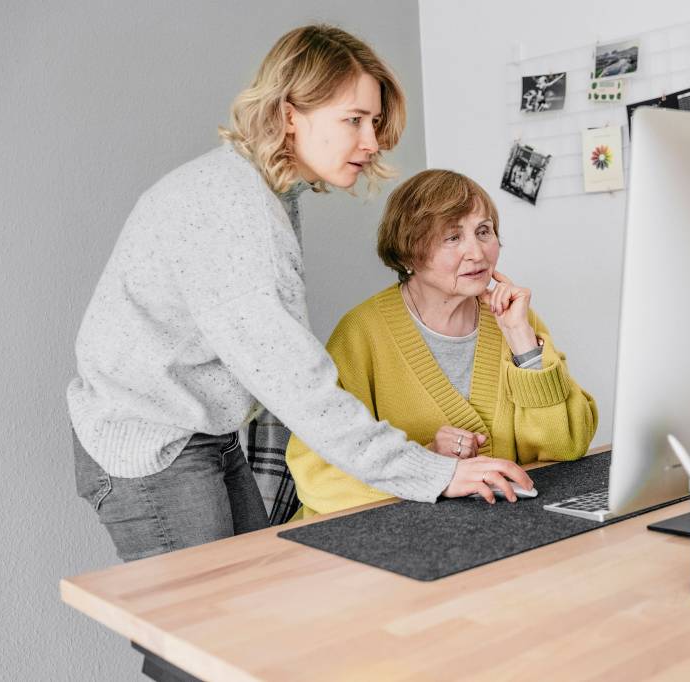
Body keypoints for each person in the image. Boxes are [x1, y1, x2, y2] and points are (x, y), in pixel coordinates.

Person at [68, 26, 532, 562]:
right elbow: (298, 387)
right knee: (204, 634)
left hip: (203, 432)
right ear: (290, 114)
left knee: (250, 617)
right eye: (353, 120)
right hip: (149, 440)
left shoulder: (263, 192)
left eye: (374, 122)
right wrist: (434, 472)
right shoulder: (235, 211)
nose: (372, 142)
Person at [286, 170, 597, 518]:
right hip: (385, 540)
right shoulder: (361, 333)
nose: (476, 252)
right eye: (452, 237)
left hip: (498, 530)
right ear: (407, 253)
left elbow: (567, 445)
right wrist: (428, 464)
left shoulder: (515, 318)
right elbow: (315, 472)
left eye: (483, 231)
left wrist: (524, 345)